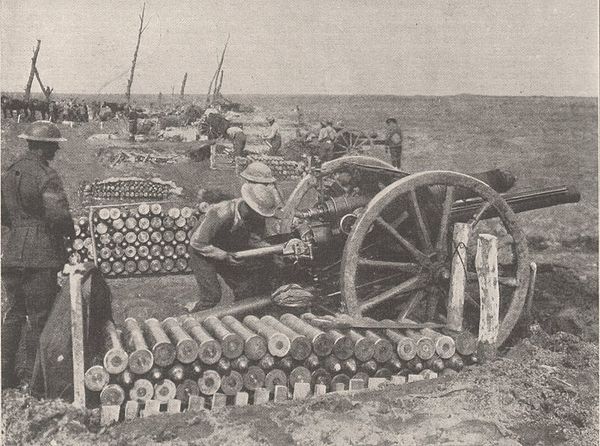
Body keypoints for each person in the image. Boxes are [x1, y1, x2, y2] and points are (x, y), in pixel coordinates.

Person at [1, 121, 75, 389]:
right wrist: (71, 231)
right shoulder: (47, 175)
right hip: (40, 255)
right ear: (44, 147)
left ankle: (4, 377)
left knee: (14, 314)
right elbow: (58, 216)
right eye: (54, 145)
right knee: (42, 317)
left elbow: (3, 215)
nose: (56, 151)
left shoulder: (11, 172)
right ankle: (38, 383)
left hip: (12, 254)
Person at [189, 179, 281, 311]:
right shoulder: (221, 212)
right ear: (248, 206)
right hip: (202, 250)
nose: (261, 218)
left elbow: (254, 240)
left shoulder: (254, 217)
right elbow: (197, 242)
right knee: (212, 296)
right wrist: (224, 256)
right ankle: (191, 320)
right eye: (259, 213)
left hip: (226, 250)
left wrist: (271, 250)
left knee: (244, 289)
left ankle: (241, 319)